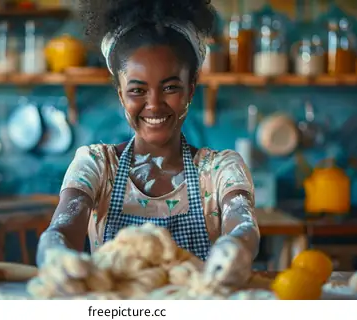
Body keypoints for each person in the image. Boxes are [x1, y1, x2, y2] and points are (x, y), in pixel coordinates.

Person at [37, 0, 259, 285]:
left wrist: (237, 247)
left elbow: (242, 222)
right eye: (137, 90)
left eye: (170, 88)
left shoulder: (219, 170)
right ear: (120, 94)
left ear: (190, 89)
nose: (154, 104)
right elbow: (64, 226)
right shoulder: (98, 165)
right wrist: (53, 251)